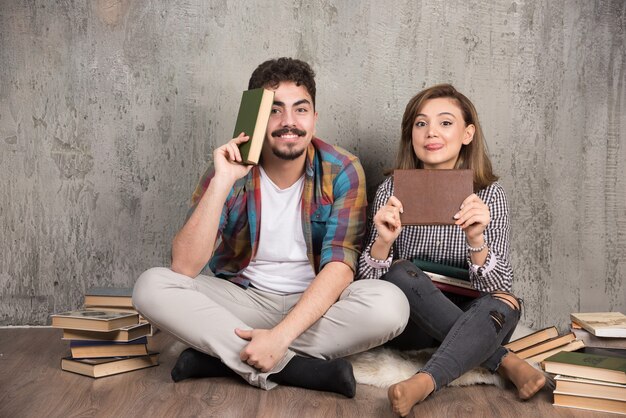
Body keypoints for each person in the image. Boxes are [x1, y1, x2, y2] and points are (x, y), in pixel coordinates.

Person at [133, 57, 409, 398]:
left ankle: (226, 357)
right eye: (275, 110)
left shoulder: (342, 169)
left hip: (317, 305)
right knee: (151, 286)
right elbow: (184, 266)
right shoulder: (228, 167)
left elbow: (340, 267)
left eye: (300, 109)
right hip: (243, 299)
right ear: (257, 116)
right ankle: (296, 368)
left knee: (391, 304)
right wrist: (222, 183)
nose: (289, 122)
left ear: (314, 117)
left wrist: (280, 336)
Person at [357, 84, 546, 416]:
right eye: (420, 123)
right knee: (401, 271)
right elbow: (366, 288)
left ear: (467, 133)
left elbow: (498, 288)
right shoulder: (391, 189)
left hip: (475, 313)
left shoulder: (490, 194)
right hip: (413, 320)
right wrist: (383, 242)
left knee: (507, 302)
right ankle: (502, 360)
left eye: (445, 122)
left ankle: (424, 382)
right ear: (411, 134)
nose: (431, 132)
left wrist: (477, 242)